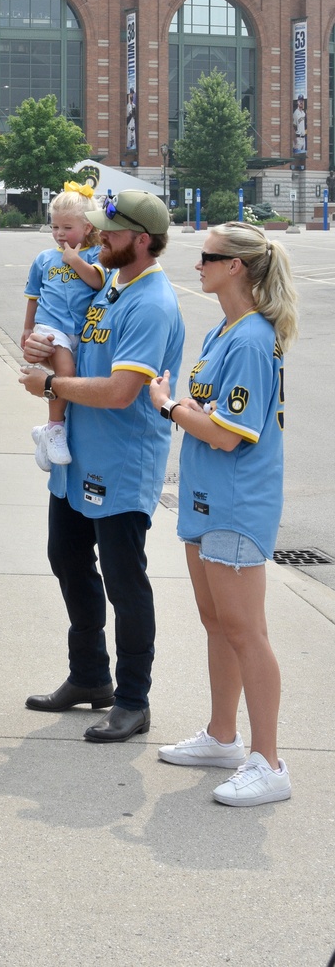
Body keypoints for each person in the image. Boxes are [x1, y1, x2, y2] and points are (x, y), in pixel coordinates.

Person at [19, 190, 184, 742]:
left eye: (108, 232)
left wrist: (51, 384)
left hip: (118, 460)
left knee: (123, 579)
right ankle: (90, 676)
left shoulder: (151, 303)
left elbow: (119, 392)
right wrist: (45, 350)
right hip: (79, 455)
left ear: (141, 239)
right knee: (65, 555)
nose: (97, 238)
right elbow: (78, 342)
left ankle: (134, 699)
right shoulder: (113, 284)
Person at [149, 223, 298, 806]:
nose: (197, 265)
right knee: (217, 622)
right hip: (208, 497)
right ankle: (223, 736)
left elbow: (230, 435)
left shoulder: (253, 339)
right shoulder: (224, 330)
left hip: (238, 501)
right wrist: (186, 408)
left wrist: (170, 407)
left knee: (246, 630)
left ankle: (269, 761)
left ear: (235, 266)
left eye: (207, 257)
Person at [21, 186, 104, 474]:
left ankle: (45, 432)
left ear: (87, 226)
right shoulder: (44, 258)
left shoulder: (96, 254)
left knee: (76, 381)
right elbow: (33, 295)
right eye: (55, 226)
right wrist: (27, 328)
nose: (59, 233)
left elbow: (97, 282)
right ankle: (55, 428)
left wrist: (75, 260)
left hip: (80, 331)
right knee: (66, 374)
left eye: (67, 227)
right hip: (51, 327)